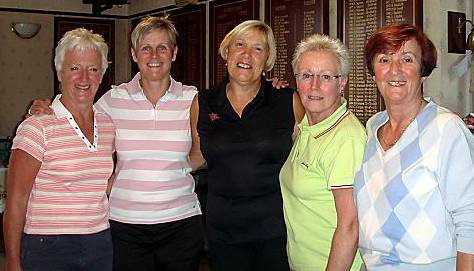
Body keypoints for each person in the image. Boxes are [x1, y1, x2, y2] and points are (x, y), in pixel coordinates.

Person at [28, 16, 204, 271]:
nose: (154, 55)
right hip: (124, 226)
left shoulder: (193, 99)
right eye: (146, 48)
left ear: (174, 53)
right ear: (134, 54)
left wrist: (170, 171)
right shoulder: (112, 100)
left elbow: (201, 152)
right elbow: (75, 117)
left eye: (162, 47)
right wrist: (43, 106)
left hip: (181, 223)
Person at [354, 23, 474, 270]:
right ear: (373, 71)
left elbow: (469, 218)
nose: (394, 70)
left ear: (423, 70)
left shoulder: (446, 129)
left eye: (407, 59)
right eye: (384, 59)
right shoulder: (372, 126)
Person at [190, 20, 304, 271]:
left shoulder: (287, 100)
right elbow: (196, 157)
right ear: (226, 52)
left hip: (277, 231)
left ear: (267, 61)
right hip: (223, 232)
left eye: (258, 49)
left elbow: (306, 159)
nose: (246, 55)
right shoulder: (204, 102)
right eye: (239, 45)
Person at [4, 28, 115, 271]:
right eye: (75, 68)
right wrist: (13, 262)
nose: (84, 78)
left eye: (93, 69)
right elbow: (16, 200)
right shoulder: (37, 126)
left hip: (99, 242)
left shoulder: (108, 125)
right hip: (48, 247)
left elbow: (101, 181)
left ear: (102, 74)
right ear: (59, 72)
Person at [278, 34, 365, 271]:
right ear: (296, 80)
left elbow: (350, 225)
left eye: (326, 77)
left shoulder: (345, 138)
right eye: (306, 76)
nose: (314, 86)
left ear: (342, 82)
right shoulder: (307, 126)